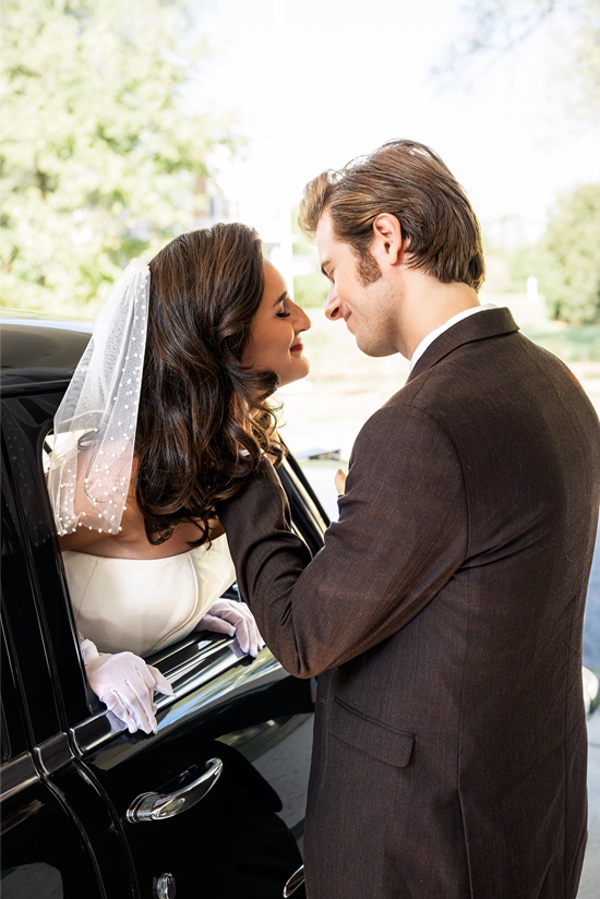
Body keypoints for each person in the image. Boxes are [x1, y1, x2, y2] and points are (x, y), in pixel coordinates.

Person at [216, 141, 600, 898]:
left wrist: (238, 445)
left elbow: (301, 635)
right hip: (534, 813)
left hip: (427, 847)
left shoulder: (420, 426)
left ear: (386, 240)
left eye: (332, 270)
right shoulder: (555, 381)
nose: (329, 305)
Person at [48, 223, 311, 735]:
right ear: (225, 339)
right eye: (283, 311)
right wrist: (83, 661)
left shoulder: (229, 453)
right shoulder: (113, 478)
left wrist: (189, 613)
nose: (304, 319)